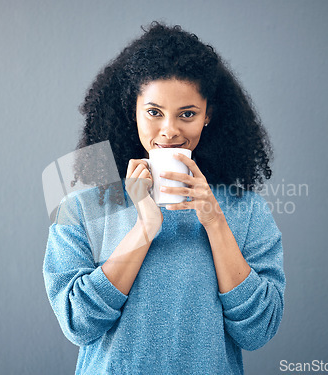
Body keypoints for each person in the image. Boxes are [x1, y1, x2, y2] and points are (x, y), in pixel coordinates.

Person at [43, 22, 285, 374]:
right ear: (133, 110)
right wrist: (144, 228)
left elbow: (258, 330)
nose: (169, 130)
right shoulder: (82, 203)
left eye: (187, 114)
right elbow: (77, 323)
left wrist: (215, 221)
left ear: (208, 116)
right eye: (154, 112)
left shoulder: (244, 208)